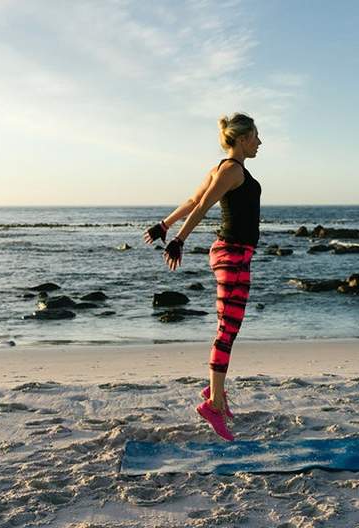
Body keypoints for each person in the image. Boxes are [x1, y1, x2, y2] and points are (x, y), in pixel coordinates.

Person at [143, 112, 262, 441]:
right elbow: (204, 205)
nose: (259, 142)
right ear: (240, 139)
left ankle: (217, 391)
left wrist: (164, 225)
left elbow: (193, 199)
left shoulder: (221, 169)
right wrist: (179, 239)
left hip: (234, 254)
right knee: (227, 330)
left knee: (227, 325)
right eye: (254, 136)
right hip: (234, 255)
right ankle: (213, 404)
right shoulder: (232, 170)